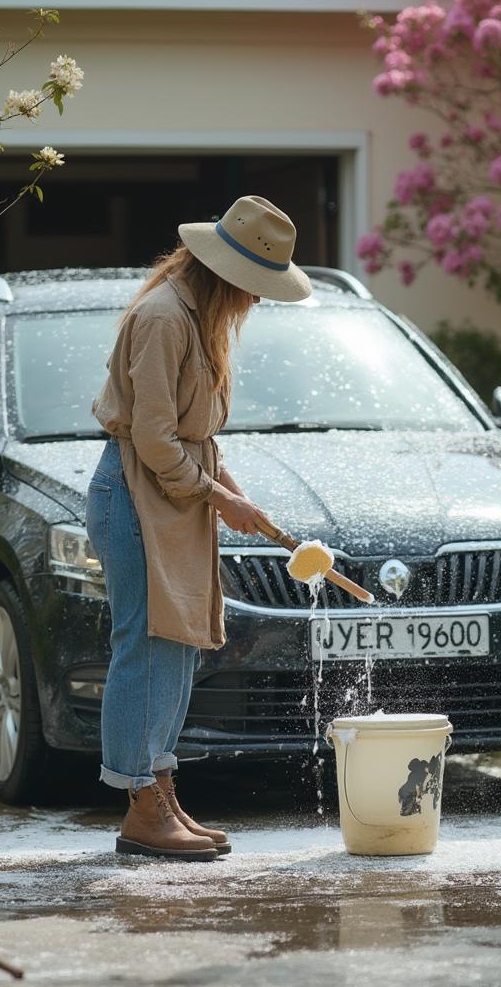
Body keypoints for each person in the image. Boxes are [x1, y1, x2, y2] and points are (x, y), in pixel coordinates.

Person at [87, 195, 312, 860]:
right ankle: (139, 805)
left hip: (172, 495)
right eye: (258, 289)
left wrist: (236, 499)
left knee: (178, 643)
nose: (260, 302)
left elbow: (194, 439)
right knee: (146, 644)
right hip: (135, 495)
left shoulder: (198, 313)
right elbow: (156, 441)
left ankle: (160, 792)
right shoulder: (163, 318)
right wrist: (219, 498)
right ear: (229, 274)